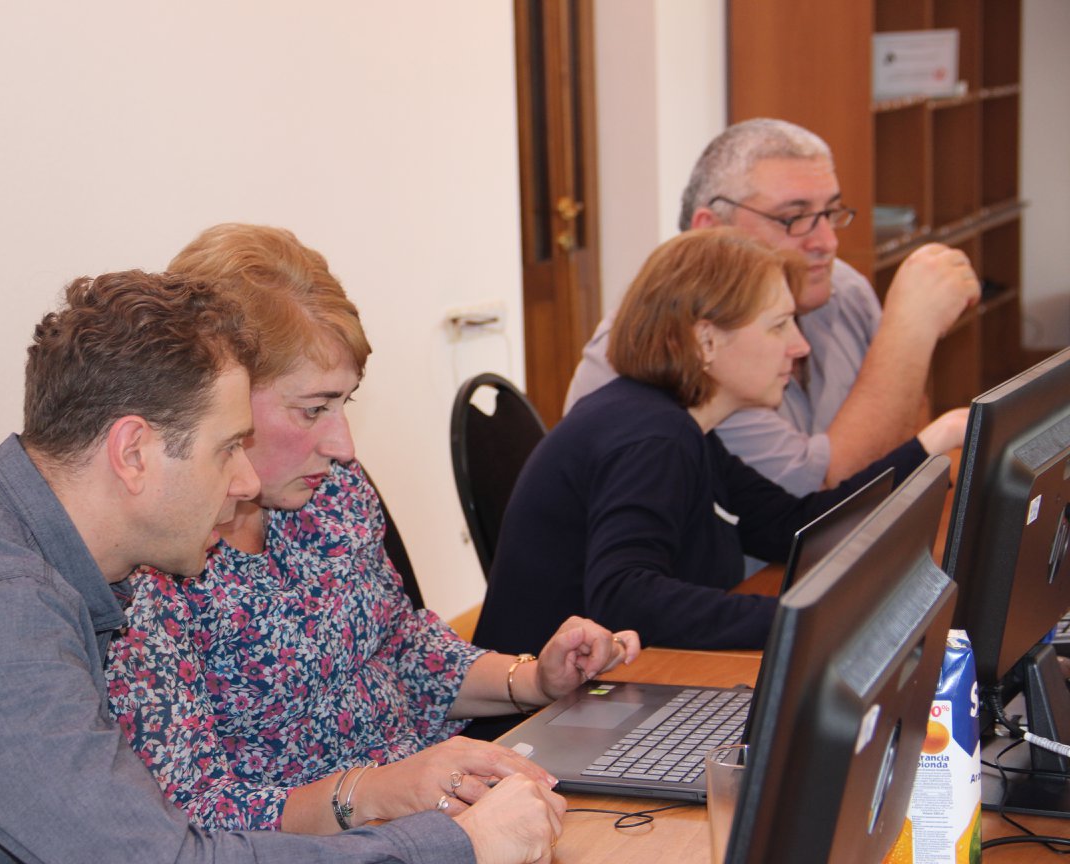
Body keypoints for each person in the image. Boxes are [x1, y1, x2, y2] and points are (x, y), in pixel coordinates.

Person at [0, 270, 564, 864]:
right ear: (133, 452)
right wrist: (458, 846)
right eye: (227, 449)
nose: (246, 482)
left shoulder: (15, 539)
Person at [106, 224, 640, 834]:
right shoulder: (149, 559)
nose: (343, 445)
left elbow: (399, 646)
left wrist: (533, 679)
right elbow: (189, 816)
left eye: (345, 403)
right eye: (313, 409)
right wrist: (378, 792)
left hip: (434, 805)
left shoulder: (328, 492)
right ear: (219, 398)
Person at [474, 228, 968, 655]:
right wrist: (802, 620)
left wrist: (933, 442)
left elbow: (793, 527)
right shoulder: (653, 438)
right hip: (541, 718)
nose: (799, 346)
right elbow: (626, 596)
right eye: (779, 326)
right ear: (705, 341)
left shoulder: (679, 426)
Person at [564, 118, 980, 495]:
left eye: (830, 213)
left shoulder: (841, 288)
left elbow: (903, 425)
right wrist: (909, 332)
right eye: (793, 218)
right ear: (711, 229)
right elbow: (822, 494)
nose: (827, 242)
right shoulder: (678, 343)